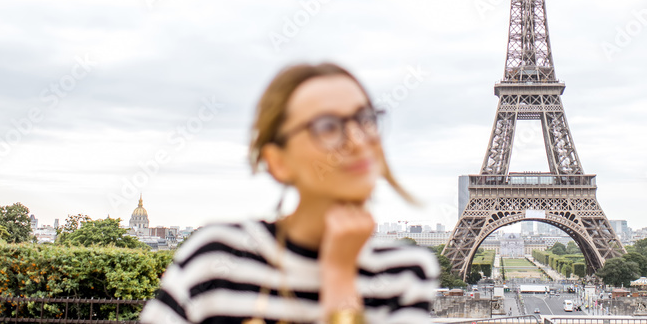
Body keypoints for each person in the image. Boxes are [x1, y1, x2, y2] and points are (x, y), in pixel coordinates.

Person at [139, 62, 439, 324]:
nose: (359, 140)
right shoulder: (215, 257)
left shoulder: (408, 273)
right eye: (328, 126)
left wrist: (340, 276)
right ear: (278, 162)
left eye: (366, 119)